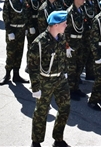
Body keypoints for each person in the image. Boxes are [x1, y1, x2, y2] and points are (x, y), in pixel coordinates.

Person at [27, 10, 71, 147]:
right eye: (64, 23)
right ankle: (36, 142)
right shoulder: (39, 43)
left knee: (65, 107)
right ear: (56, 25)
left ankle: (58, 139)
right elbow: (32, 67)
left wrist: (65, 71)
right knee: (41, 112)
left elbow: (62, 56)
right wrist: (35, 87)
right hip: (44, 81)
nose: (66, 25)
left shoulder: (61, 37)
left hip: (60, 79)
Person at [0, 0, 30, 85]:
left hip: (21, 29)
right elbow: (6, 16)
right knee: (11, 53)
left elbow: (26, 14)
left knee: (19, 52)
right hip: (13, 29)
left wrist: (26, 27)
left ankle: (16, 75)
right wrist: (9, 31)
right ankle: (7, 74)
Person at [65, 0, 87, 100]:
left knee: (79, 66)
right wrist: (67, 46)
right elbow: (65, 32)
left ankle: (76, 88)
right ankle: (70, 90)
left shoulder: (81, 10)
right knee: (71, 68)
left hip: (79, 42)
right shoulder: (70, 13)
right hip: (72, 43)